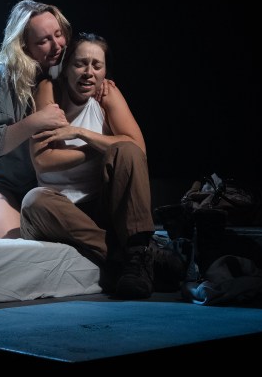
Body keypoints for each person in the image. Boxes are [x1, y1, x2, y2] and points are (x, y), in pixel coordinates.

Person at [20, 32, 165, 299]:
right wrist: (101, 149)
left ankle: (137, 253)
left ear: (105, 71)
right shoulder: (49, 90)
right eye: (80, 64)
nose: (89, 73)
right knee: (33, 201)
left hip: (103, 205)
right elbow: (43, 161)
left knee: (127, 151)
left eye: (97, 65)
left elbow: (137, 149)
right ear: (66, 67)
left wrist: (81, 133)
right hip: (62, 211)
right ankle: (138, 256)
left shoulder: (107, 93)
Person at [0, 0, 74, 239]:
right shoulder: (5, 72)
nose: (56, 45)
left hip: (33, 183)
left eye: (58, 34)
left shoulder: (62, 67)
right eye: (43, 41)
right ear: (24, 45)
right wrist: (36, 121)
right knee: (13, 243)